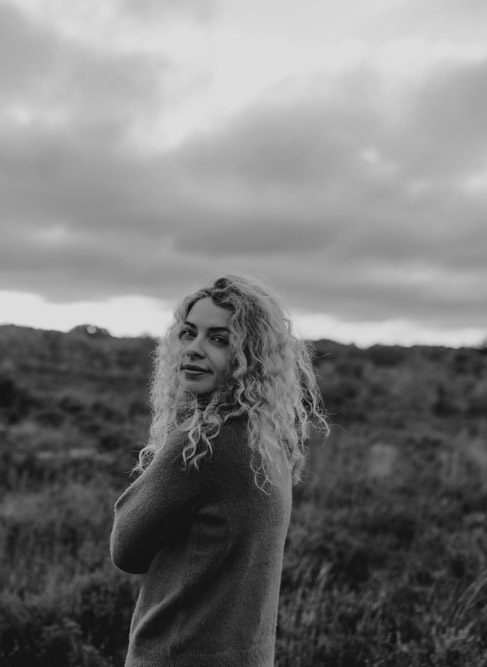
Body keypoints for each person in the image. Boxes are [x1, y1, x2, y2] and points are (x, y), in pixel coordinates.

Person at [110, 274, 328, 667]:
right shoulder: (265, 438)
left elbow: (126, 549)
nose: (194, 349)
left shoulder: (201, 445)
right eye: (188, 333)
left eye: (219, 339)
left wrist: (172, 444)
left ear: (250, 355)